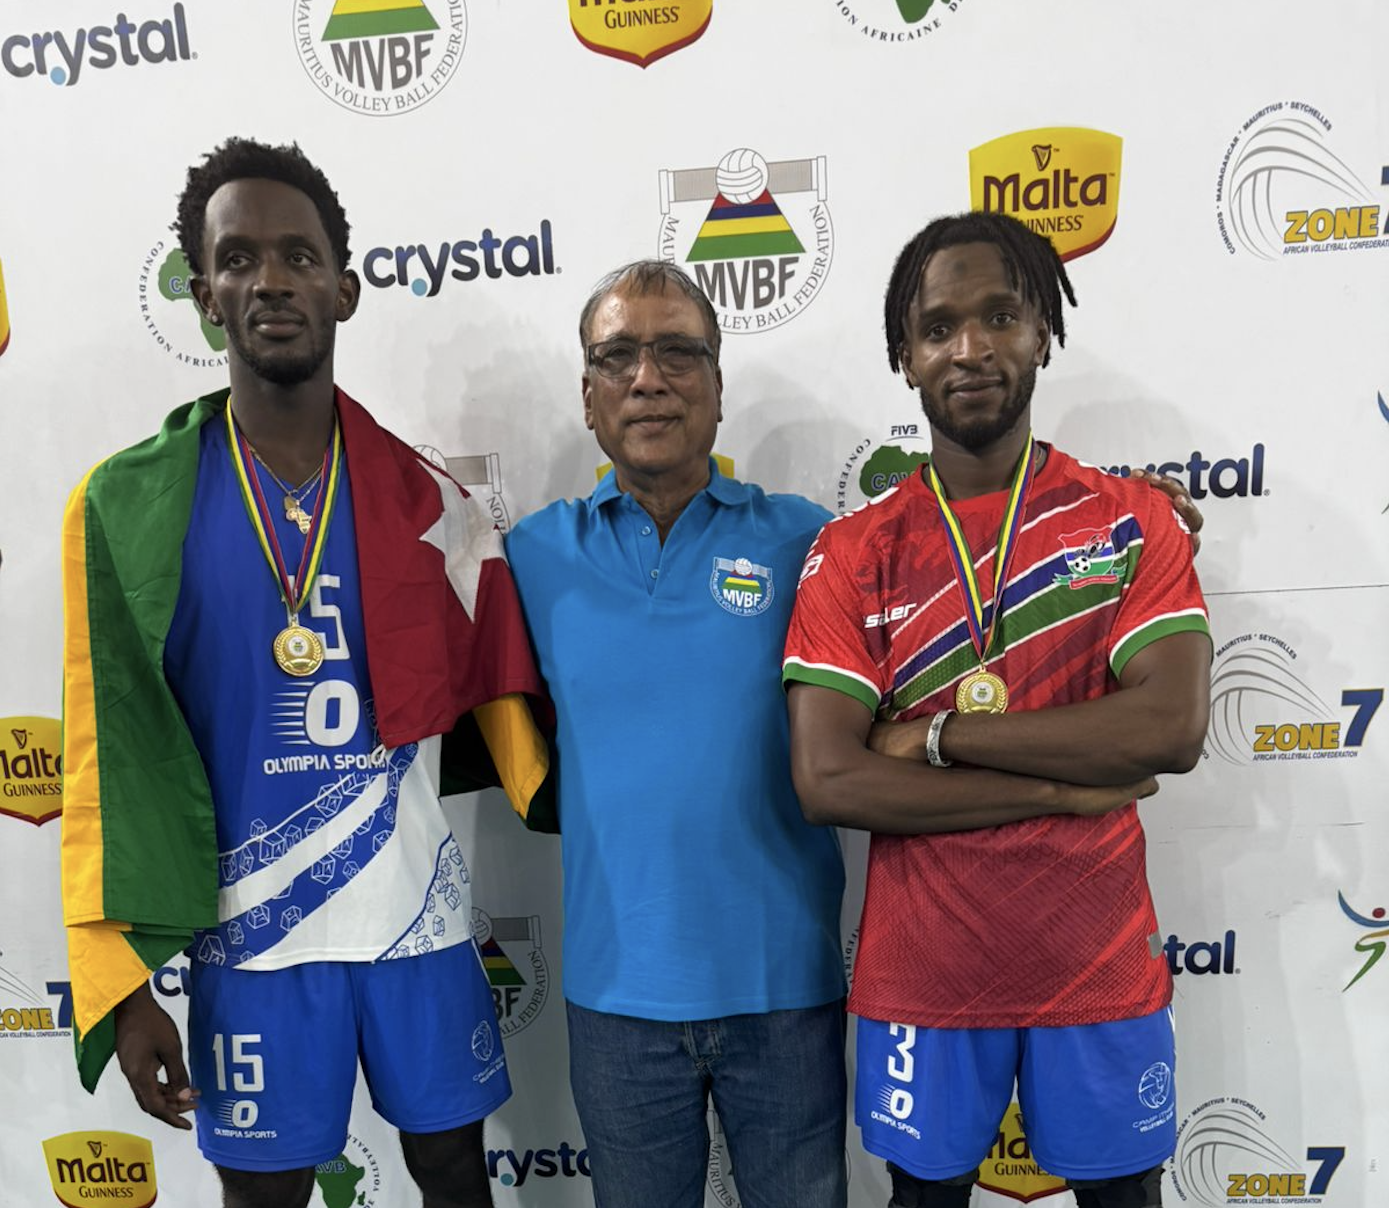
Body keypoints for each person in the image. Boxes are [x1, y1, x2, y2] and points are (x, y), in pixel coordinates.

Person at [503, 258, 1204, 1208]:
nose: (648, 378)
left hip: (784, 990)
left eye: (679, 353)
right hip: (614, 995)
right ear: (586, 397)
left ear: (717, 386)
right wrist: (1057, 792)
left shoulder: (810, 540)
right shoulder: (526, 557)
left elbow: (981, 525)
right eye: (617, 357)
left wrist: (1137, 511)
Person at [60, 137, 550, 1208]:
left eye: (297, 254)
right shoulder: (130, 507)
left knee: (454, 1175)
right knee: (266, 1195)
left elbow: (510, 709)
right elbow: (114, 760)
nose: (269, 280)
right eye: (237, 259)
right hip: (254, 934)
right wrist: (123, 985)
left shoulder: (433, 505)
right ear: (201, 295)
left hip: (414, 913)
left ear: (345, 286)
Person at [782, 211, 1211, 1208]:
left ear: (1040, 335)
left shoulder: (1127, 519)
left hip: (1095, 965)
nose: (968, 347)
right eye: (937, 327)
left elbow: (1168, 729)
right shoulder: (853, 551)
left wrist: (935, 736)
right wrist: (1065, 784)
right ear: (903, 356)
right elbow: (829, 776)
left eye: (998, 316)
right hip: (924, 978)